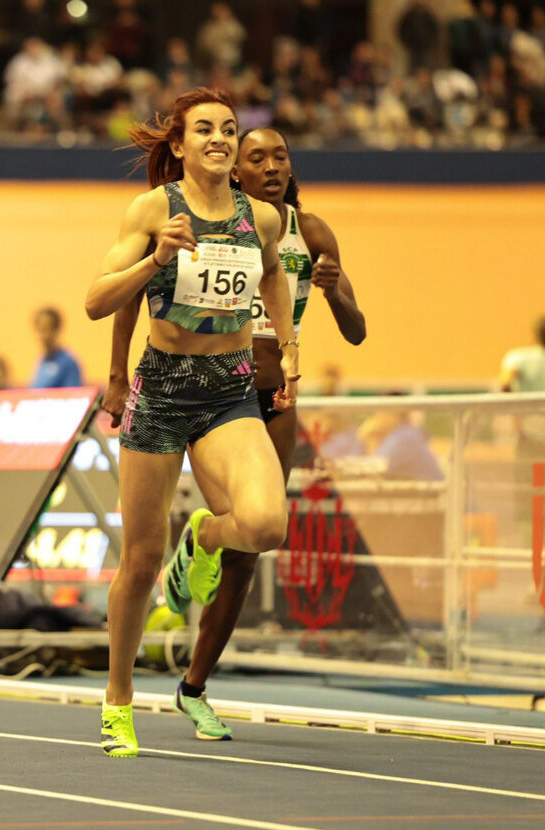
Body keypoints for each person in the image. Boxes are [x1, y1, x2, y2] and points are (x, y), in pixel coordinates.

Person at [104, 125, 365, 743]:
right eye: (258, 157)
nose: (272, 166)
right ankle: (124, 692)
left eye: (281, 156)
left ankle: (195, 684)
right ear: (232, 171)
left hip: (265, 395)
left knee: (257, 537)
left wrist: (329, 301)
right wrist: (117, 376)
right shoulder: (181, 213)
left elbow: (355, 329)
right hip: (181, 381)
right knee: (144, 554)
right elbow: (121, 299)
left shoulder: (307, 231)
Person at [85, 88, 298, 757]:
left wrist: (287, 348)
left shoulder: (260, 219)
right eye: (204, 129)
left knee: (265, 525)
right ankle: (119, 700)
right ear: (178, 145)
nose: (220, 138)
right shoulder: (153, 209)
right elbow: (96, 300)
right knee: (142, 562)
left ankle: (206, 537)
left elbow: (274, 280)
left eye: (230, 130)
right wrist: (155, 259)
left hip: (229, 393)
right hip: (163, 393)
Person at [30, 307, 84, 388]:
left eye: (46, 329)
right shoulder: (41, 360)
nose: (42, 336)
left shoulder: (68, 362)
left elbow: (72, 395)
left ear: (57, 329)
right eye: (39, 329)